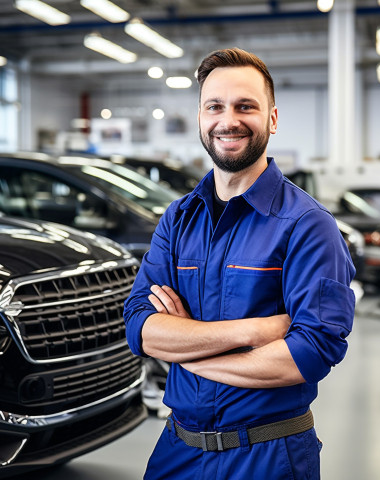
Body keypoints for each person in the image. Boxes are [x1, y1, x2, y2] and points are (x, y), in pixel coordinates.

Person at [123, 47, 356, 480]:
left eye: (245, 106)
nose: (228, 120)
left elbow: (309, 352)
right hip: (178, 449)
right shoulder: (178, 219)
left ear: (271, 119)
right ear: (200, 117)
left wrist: (187, 354)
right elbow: (140, 326)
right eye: (215, 106)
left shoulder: (308, 226)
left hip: (268, 454)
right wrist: (252, 331)